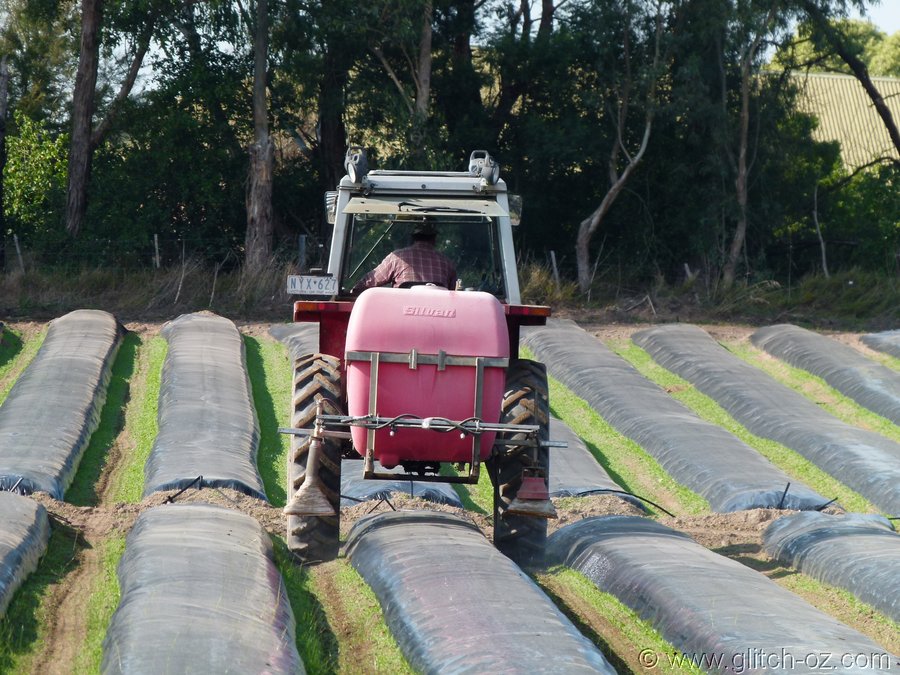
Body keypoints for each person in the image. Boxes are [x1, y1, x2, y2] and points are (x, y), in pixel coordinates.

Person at [352, 221, 457, 292]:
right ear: (434, 239)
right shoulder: (447, 262)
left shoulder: (397, 257)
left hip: (400, 315)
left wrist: (354, 291)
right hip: (437, 317)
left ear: (413, 237)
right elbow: (453, 293)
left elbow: (371, 280)